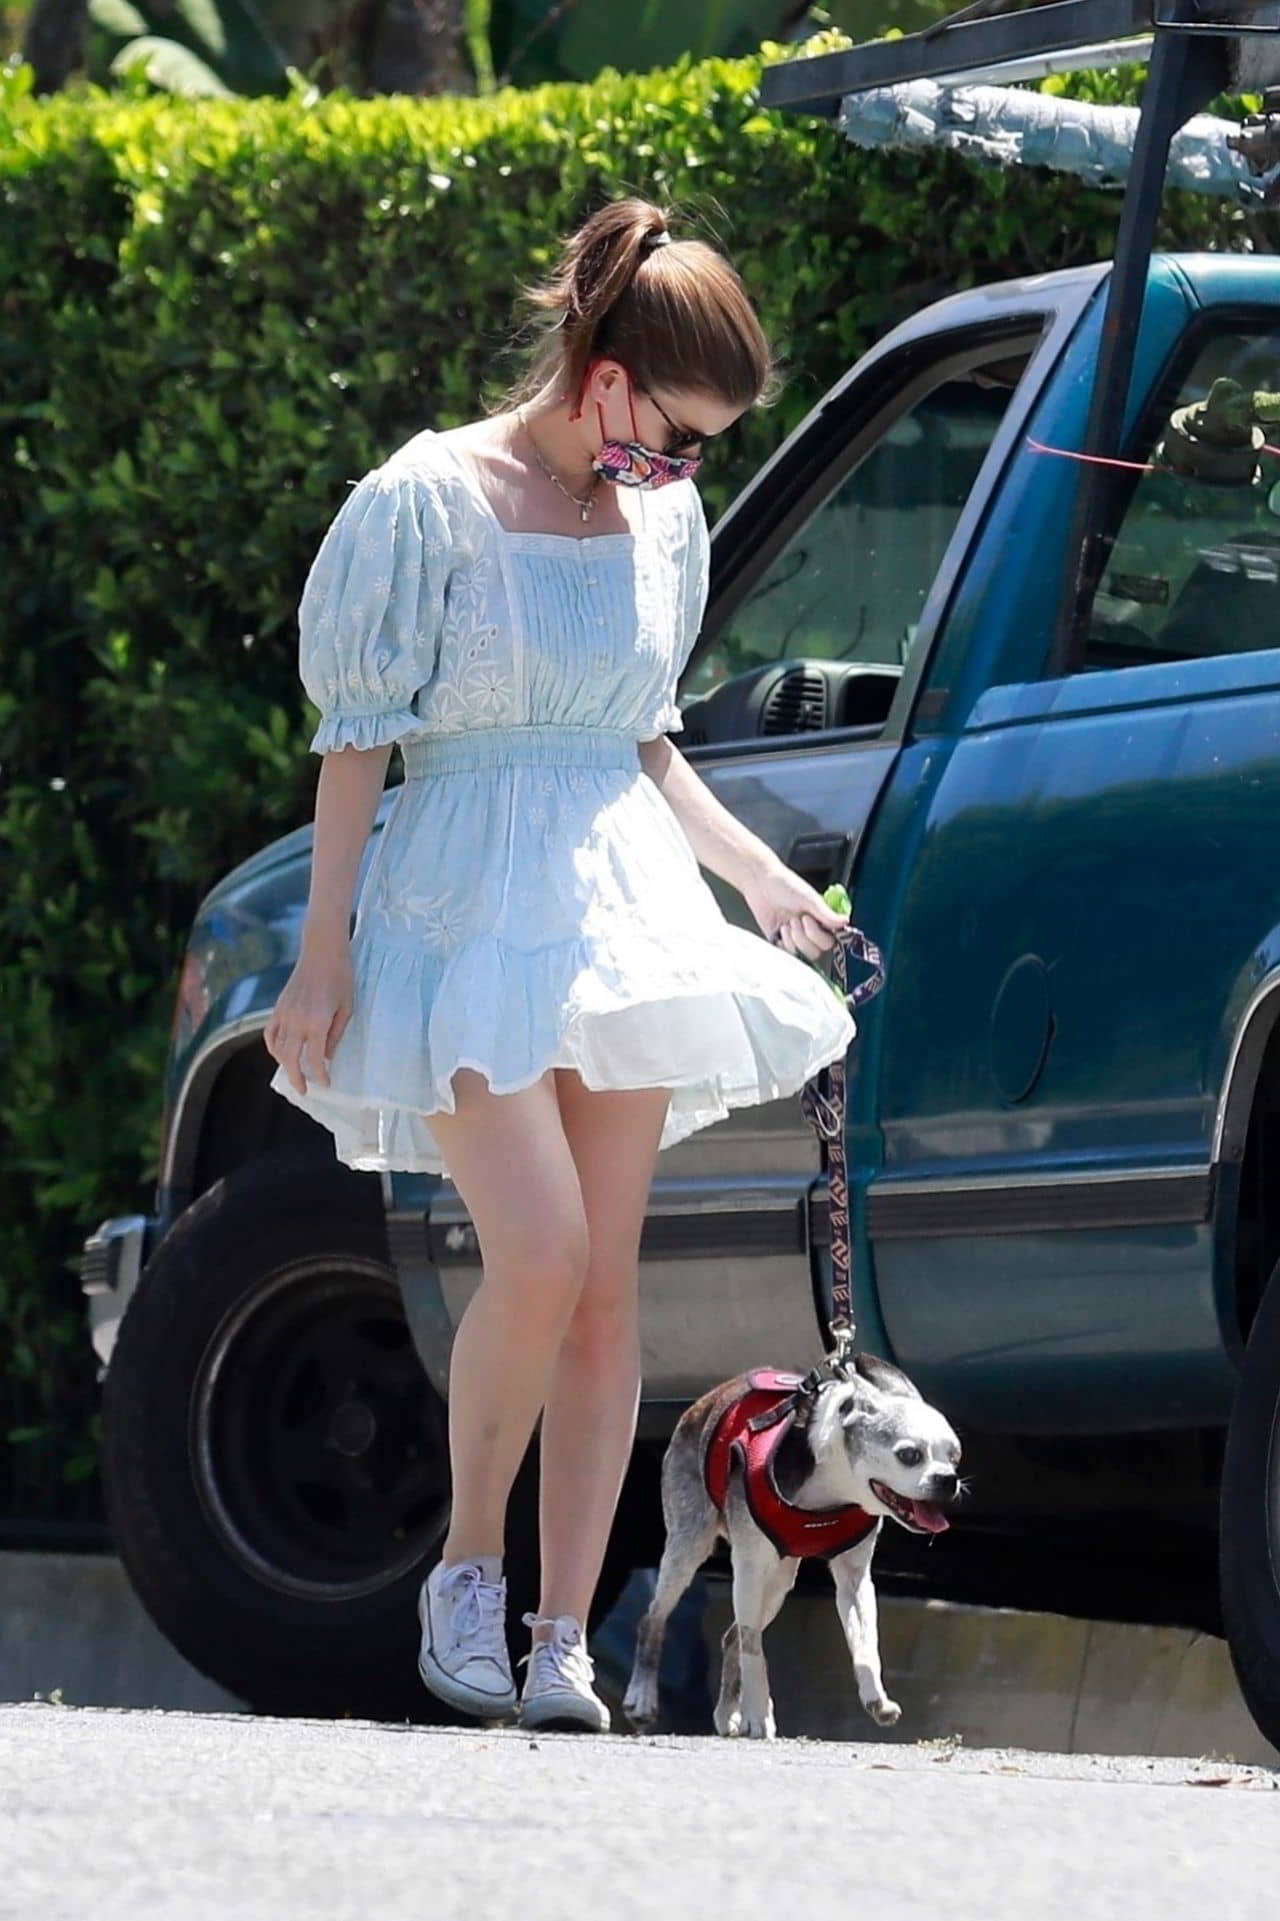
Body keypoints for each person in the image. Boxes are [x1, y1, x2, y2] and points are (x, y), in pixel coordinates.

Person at [262, 196, 854, 1735]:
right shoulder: (425, 498)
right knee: (538, 1249)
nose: (681, 471)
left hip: (621, 900)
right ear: (601, 375)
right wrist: (318, 962)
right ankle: (463, 1575)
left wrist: (769, 883)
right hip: (464, 901)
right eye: (673, 434)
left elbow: (643, 742)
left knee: (605, 1290)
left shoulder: (660, 520)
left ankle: (562, 1636)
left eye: (704, 448)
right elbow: (356, 746)